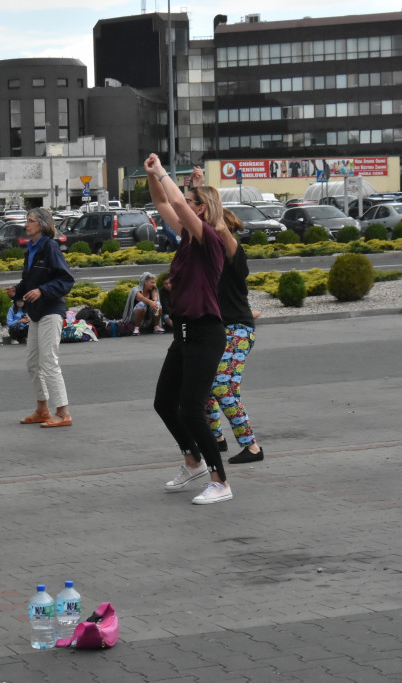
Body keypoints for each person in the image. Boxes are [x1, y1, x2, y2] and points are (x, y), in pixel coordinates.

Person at [145, 156, 231, 504]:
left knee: (191, 408)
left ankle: (220, 480)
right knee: (164, 403)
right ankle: (192, 460)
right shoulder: (186, 241)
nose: (184, 211)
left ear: (203, 211)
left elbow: (177, 201)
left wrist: (164, 170)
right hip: (182, 335)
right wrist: (153, 175)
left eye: (192, 207)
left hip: (205, 333)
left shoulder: (210, 240)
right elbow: (163, 202)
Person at [204, 209, 264, 464]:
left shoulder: (235, 256)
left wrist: (209, 203)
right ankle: (217, 439)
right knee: (208, 385)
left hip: (238, 330)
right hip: (220, 330)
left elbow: (217, 226)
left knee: (220, 385)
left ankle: (252, 447)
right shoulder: (212, 260)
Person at [6, 207, 75, 428]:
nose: (26, 224)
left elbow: (66, 279)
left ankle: (63, 413)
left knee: (48, 362)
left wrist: (43, 291)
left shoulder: (50, 247)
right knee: (32, 364)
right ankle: (42, 410)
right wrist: (16, 290)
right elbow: (28, 283)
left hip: (51, 311)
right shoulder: (32, 249)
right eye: (27, 221)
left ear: (43, 224)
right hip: (35, 312)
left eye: (30, 221)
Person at [121, 271, 164, 335]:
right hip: (134, 317)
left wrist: (154, 303)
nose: (153, 284)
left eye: (154, 282)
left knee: (157, 304)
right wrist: (151, 302)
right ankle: (136, 328)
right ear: (145, 282)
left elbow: (155, 297)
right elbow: (141, 298)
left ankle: (156, 326)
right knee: (141, 305)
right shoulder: (135, 290)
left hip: (149, 316)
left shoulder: (154, 289)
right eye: (151, 282)